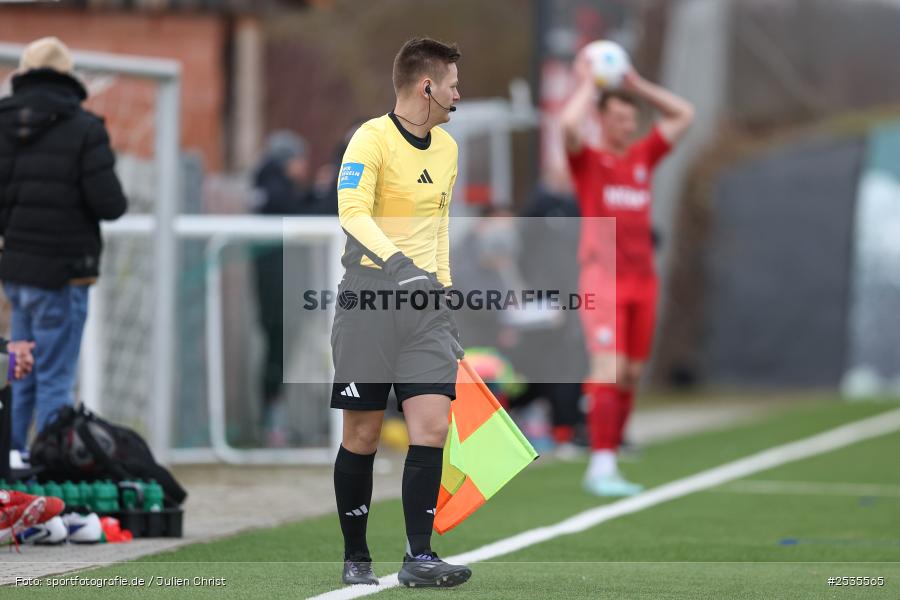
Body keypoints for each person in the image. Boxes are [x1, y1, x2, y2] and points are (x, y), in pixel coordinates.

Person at [329, 37, 470, 588]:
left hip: (425, 307)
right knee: (362, 435)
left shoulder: (449, 150)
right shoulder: (370, 138)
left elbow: (439, 229)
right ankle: (356, 554)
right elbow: (351, 210)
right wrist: (395, 264)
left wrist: (444, 292)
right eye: (454, 85)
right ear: (426, 86)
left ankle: (420, 556)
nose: (460, 95)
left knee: (432, 426)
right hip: (368, 297)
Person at [560, 48, 694, 496]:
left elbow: (683, 114)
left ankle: (611, 454)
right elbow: (567, 126)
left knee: (632, 375)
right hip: (602, 278)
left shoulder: (642, 158)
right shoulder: (590, 162)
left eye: (629, 118)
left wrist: (634, 84)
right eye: (618, 117)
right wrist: (590, 84)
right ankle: (598, 464)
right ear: (602, 119)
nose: (627, 125)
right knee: (609, 368)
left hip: (643, 282)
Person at [0, 37, 127, 454]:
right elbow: (110, 204)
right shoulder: (85, 129)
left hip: (16, 273)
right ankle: (50, 467)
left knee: (22, 374)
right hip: (64, 274)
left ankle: (13, 465)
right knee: (55, 377)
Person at [251, 130, 317, 446]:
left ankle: (275, 421)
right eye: (299, 159)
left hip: (277, 288)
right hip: (277, 290)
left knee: (278, 351)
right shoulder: (275, 191)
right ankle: (273, 423)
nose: (303, 166)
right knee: (277, 350)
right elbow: (299, 213)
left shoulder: (271, 188)